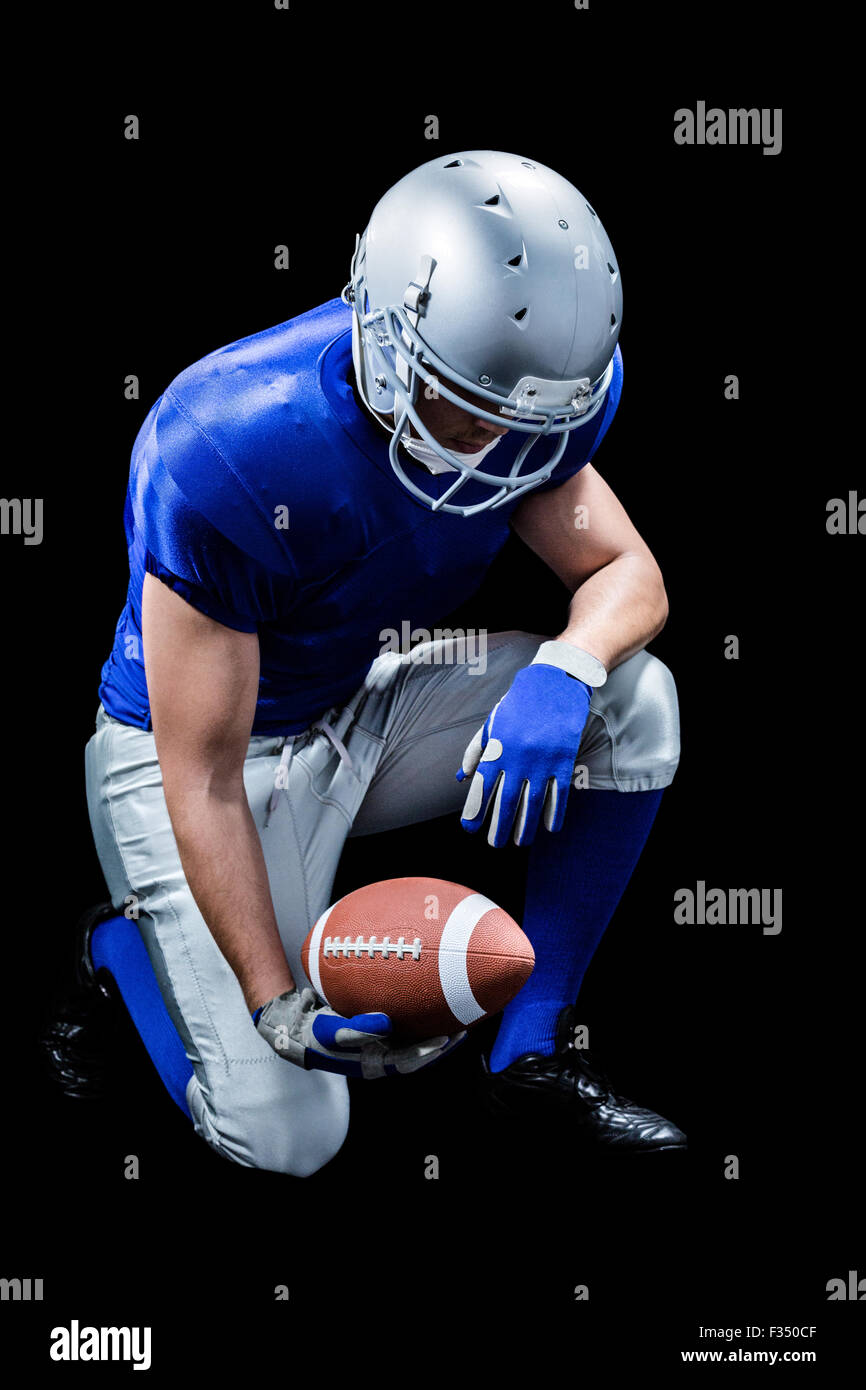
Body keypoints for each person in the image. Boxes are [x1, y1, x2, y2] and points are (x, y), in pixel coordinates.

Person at [78, 149, 684, 1174]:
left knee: (636, 698)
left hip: (356, 704)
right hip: (192, 758)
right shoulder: (229, 442)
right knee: (288, 1138)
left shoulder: (516, 400)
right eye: (467, 407)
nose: (494, 448)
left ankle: (526, 1056)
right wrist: (277, 1007)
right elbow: (204, 773)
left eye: (522, 423)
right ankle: (117, 956)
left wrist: (567, 665)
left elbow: (626, 571)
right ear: (388, 337)